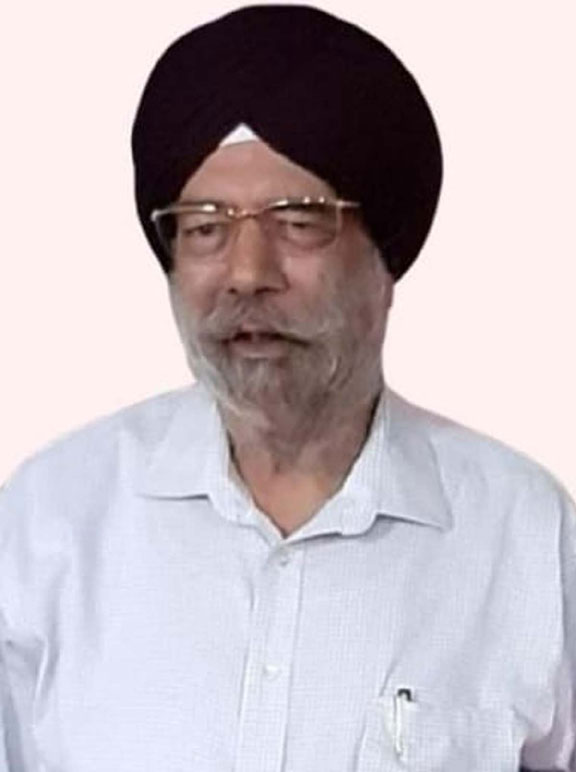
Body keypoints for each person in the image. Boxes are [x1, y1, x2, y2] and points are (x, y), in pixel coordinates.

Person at [0, 5, 574, 771]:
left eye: (299, 221)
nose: (247, 273)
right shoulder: (49, 523)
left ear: (386, 261)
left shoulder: (524, 536)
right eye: (206, 226)